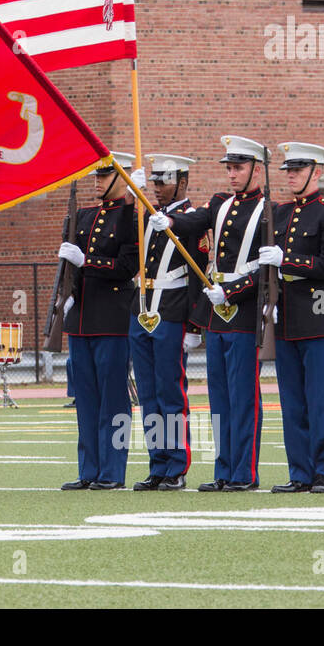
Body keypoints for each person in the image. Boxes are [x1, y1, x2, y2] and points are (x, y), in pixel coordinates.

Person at [155, 135, 268, 491]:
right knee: (219, 396)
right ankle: (223, 471)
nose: (232, 174)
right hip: (218, 313)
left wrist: (231, 291)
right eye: (230, 168)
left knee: (243, 396)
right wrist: (170, 224)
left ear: (257, 170)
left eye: (239, 168)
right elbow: (196, 220)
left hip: (245, 310)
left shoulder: (269, 211)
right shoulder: (220, 202)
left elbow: (265, 270)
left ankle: (244, 474)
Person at [261, 142, 324, 494]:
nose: (292, 175)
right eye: (288, 170)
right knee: (292, 400)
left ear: (318, 172)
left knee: (321, 398)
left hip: (318, 314)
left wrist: (287, 260)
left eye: (298, 169)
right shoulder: (280, 213)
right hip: (286, 316)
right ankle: (300, 472)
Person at [58, 153, 139, 490]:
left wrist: (86, 260)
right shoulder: (84, 215)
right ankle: (88, 470)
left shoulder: (131, 217)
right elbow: (70, 268)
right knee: (87, 402)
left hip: (112, 318)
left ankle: (113, 472)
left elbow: (126, 267)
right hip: (81, 320)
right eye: (96, 176)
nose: (97, 182)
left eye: (105, 177)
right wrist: (69, 293)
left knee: (114, 400)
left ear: (122, 179)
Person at [130, 154, 206, 491]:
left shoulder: (191, 219)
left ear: (182, 182)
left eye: (164, 182)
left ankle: (176, 465)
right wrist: (136, 191)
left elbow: (198, 275)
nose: (158, 188)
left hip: (173, 310)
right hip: (143, 309)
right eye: (155, 182)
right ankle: (157, 463)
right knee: (147, 394)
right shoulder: (149, 215)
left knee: (170, 393)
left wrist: (193, 325)